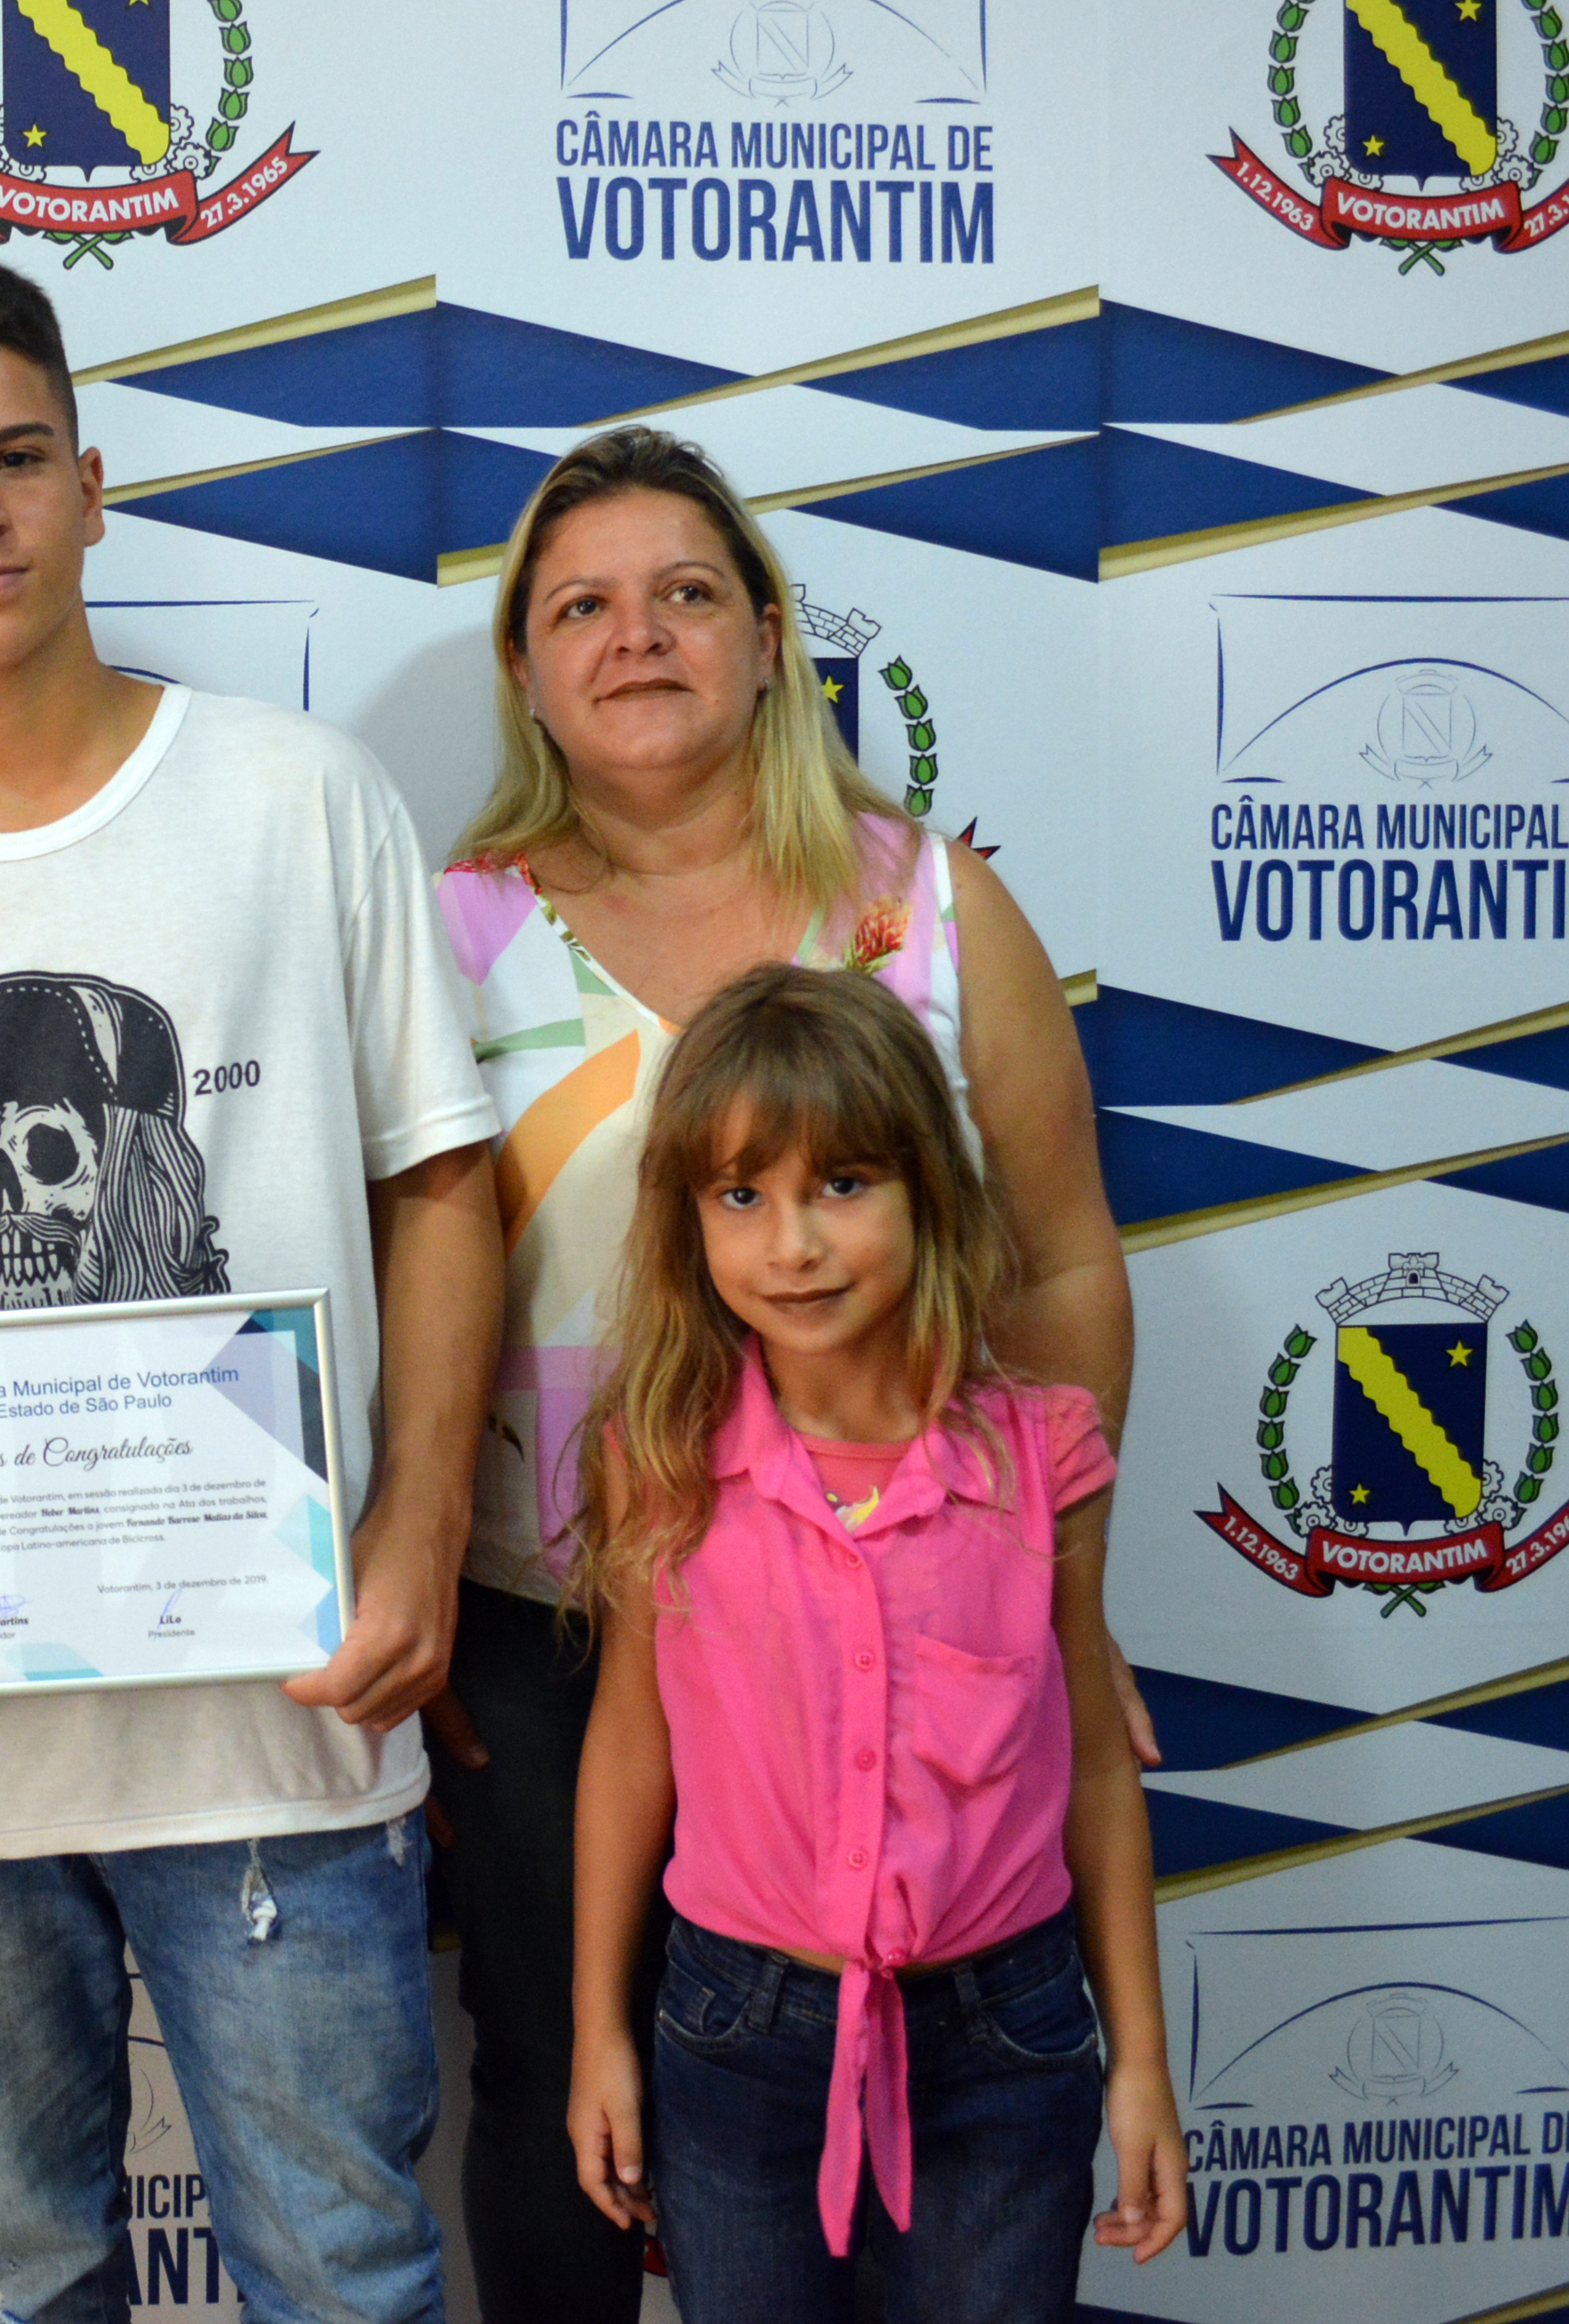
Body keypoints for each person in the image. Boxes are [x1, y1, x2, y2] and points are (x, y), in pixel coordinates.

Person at [0, 250, 504, 2324]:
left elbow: (440, 1183)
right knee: (16, 2267)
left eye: (8, 461)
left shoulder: (294, 797)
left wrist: (419, 1525)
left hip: (283, 1724)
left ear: (90, 483)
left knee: (345, 2267)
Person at [426, 425, 1145, 2322]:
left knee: (919, 2056)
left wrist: (1046, 1573)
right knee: (554, 2081)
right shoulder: (445, 930)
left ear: (765, 637)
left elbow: (1063, 1254)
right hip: (549, 1620)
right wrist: (409, 1587)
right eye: (578, 603)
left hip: (887, 1589)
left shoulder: (927, 905)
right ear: (523, 665)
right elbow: (402, 1283)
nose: (634, 634)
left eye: (684, 593)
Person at [562, 964, 1187, 2319]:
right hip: (731, 2034)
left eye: (840, 1182)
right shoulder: (656, 1459)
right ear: (688, 1221)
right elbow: (627, 1745)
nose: (790, 1245)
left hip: (1005, 2035)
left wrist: (1138, 2056)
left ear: (927, 1188)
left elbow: (1087, 1759)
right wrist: (595, 2032)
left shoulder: (1043, 1457)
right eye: (740, 1195)